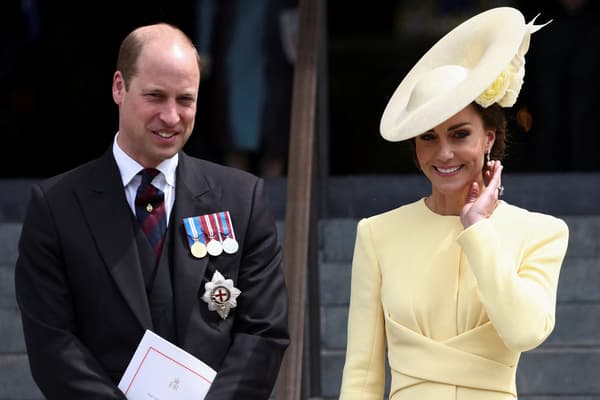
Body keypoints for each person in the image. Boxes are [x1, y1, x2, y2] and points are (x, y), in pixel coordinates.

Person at [14, 23, 289, 399]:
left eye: (185, 99)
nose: (172, 116)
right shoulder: (56, 207)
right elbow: (53, 345)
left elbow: (263, 331)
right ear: (118, 88)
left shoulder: (243, 199)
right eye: (156, 96)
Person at [338, 7, 569, 400]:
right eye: (428, 137)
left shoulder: (542, 232)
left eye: (459, 134)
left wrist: (478, 229)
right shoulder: (376, 233)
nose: (443, 153)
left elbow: (525, 331)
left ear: (489, 138)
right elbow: (362, 374)